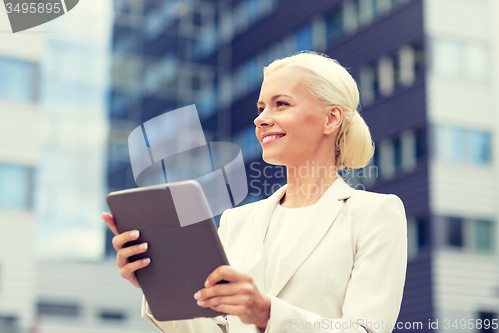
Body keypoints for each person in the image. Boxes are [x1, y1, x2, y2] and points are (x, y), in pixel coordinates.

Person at [103, 50, 407, 333]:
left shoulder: (374, 215)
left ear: (331, 118)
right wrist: (157, 282)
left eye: (281, 104)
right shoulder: (237, 222)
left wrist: (266, 313)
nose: (260, 119)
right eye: (261, 107)